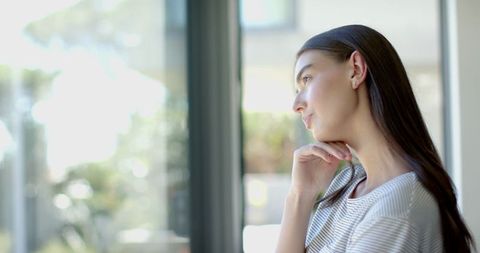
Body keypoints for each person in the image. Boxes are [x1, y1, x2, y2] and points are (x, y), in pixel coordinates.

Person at [275, 24, 476, 253]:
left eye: (307, 79)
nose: (296, 105)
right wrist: (299, 195)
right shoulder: (347, 184)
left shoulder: (395, 210)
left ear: (356, 69)